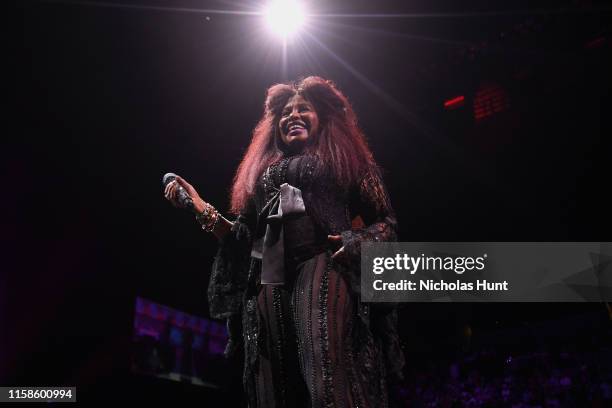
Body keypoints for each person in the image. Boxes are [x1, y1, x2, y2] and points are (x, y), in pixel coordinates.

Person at [164, 76, 404, 407]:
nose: (292, 115)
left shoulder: (344, 159)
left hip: (323, 262)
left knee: (326, 379)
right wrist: (201, 207)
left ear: (322, 117)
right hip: (270, 276)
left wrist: (357, 240)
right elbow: (243, 240)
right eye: (285, 112)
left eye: (303, 109)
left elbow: (386, 222)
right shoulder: (262, 173)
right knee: (272, 391)